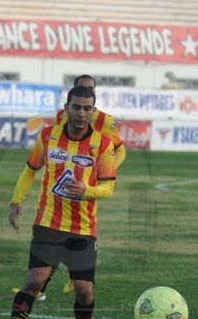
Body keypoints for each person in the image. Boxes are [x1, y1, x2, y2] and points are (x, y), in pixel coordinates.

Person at [0, 85, 117, 319]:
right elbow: (30, 170)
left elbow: (108, 188)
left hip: (82, 229)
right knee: (33, 281)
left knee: (84, 291)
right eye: (76, 107)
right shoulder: (48, 136)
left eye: (87, 108)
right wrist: (16, 201)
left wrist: (87, 191)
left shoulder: (103, 144)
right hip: (48, 224)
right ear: (66, 108)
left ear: (93, 111)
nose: (81, 113)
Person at [29, 74, 126, 300]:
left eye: (90, 89)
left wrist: (104, 171)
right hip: (61, 191)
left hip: (88, 183)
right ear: (70, 97)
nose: (82, 112)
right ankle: (40, 287)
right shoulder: (60, 118)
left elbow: (120, 150)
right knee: (53, 235)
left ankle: (69, 277)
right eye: (81, 89)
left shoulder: (105, 121)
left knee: (77, 239)